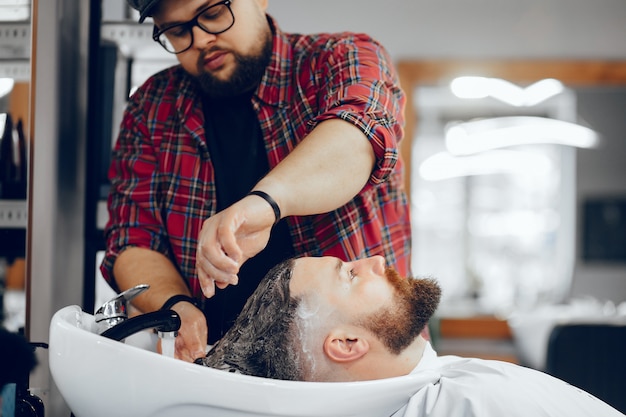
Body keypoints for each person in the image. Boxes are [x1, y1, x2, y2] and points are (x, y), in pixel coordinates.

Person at [101, 0, 411, 363]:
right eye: (177, 31)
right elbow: (131, 240)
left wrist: (265, 203)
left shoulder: (341, 57)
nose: (200, 39)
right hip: (215, 368)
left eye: (213, 14)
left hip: (358, 364)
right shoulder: (152, 107)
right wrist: (175, 308)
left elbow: (359, 137)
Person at [198, 256, 625, 417]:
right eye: (349, 274)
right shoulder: (478, 403)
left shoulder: (459, 392)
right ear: (346, 345)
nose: (376, 259)